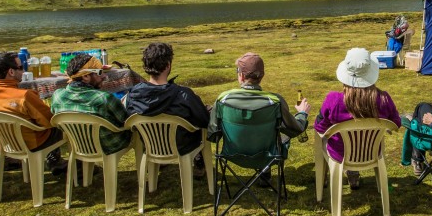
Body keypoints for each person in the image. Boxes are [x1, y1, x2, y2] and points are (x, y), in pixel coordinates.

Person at [208, 52, 310, 183]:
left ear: (241, 75)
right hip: (268, 156)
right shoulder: (275, 101)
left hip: (231, 154)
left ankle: (264, 171)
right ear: (262, 76)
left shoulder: (223, 99)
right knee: (282, 136)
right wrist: (302, 113)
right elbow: (296, 129)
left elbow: (213, 134)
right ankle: (265, 170)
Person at [314, 48, 400, 189]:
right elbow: (396, 123)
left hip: (340, 154)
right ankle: (353, 172)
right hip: (371, 152)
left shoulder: (333, 99)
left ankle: (325, 177)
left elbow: (320, 127)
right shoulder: (384, 99)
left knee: (322, 138)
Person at [124, 42, 210, 178]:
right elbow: (204, 120)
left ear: (146, 66)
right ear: (168, 65)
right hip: (183, 147)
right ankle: (199, 163)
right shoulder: (184, 95)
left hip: (150, 145)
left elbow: (128, 120)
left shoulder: (133, 95)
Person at [0, 51, 66, 173]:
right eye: (21, 67)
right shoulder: (25, 96)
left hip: (5, 143)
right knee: (61, 125)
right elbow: (49, 121)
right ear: (11, 72)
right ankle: (56, 161)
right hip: (32, 144)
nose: (23, 71)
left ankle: (9, 159)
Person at [51, 53, 132, 155]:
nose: (104, 76)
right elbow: (127, 121)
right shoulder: (104, 98)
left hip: (78, 146)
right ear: (85, 76)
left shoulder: (57, 96)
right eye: (99, 72)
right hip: (109, 147)